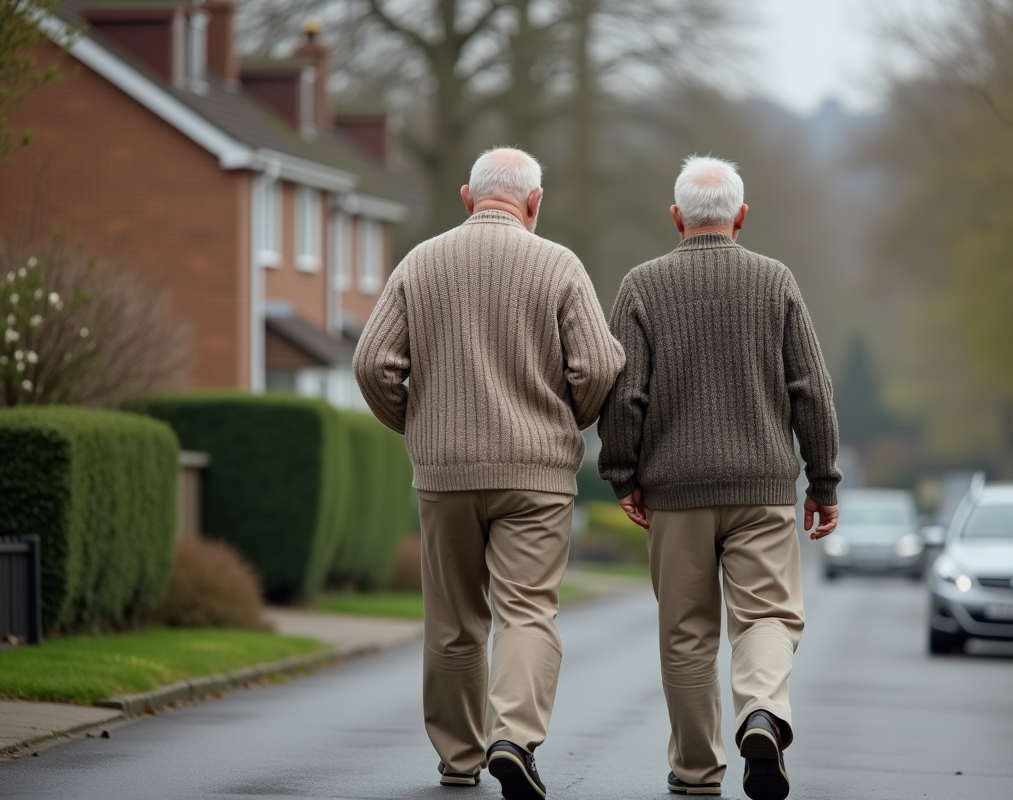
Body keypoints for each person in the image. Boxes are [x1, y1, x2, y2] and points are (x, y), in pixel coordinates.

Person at [353, 146, 624, 800]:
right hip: (537, 474)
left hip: (444, 472)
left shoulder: (420, 263)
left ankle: (458, 757)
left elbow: (371, 364)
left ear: (468, 198)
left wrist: (418, 426)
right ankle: (514, 738)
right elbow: (600, 367)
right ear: (534, 204)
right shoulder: (559, 264)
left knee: (452, 620)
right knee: (527, 610)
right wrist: (566, 420)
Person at [597, 155, 841, 800]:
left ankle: (698, 770)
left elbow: (624, 398)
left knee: (686, 635)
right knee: (766, 618)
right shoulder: (775, 281)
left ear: (676, 217)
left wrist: (622, 472)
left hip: (675, 493)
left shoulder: (641, 286)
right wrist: (823, 482)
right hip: (762, 489)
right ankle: (762, 711)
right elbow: (811, 390)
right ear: (740, 215)